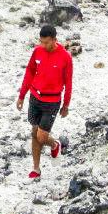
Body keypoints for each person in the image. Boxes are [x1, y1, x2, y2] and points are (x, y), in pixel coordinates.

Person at [17, 24, 73, 181]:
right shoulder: (37, 51)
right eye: (41, 41)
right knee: (34, 132)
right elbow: (29, 72)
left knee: (41, 136)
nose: (43, 45)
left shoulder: (65, 57)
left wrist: (66, 105)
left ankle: (55, 145)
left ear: (55, 40)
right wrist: (22, 95)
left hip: (52, 101)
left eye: (47, 42)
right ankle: (36, 168)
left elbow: (68, 83)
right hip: (35, 97)